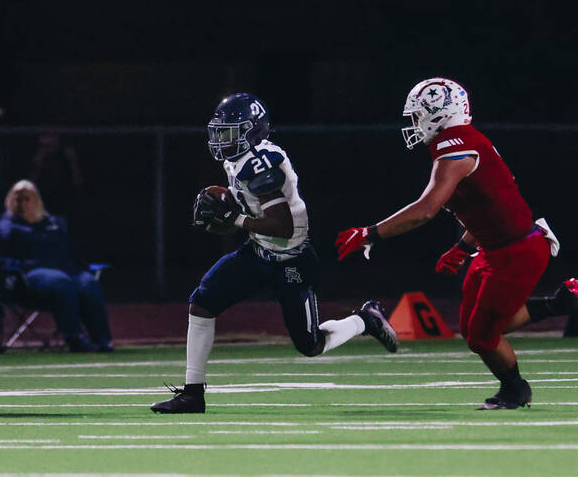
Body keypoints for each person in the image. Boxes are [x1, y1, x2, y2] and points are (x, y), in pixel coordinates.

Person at [335, 78, 578, 411]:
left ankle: (515, 390)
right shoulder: (459, 143)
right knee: (475, 328)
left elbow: (426, 210)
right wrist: (464, 248)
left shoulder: (456, 146)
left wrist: (370, 233)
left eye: (419, 115)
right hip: (493, 247)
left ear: (441, 114)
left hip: (517, 250)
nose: (414, 123)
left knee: (483, 336)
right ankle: (563, 302)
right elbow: (489, 208)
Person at [150, 93, 398, 414]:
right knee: (202, 303)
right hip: (258, 252)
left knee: (310, 345)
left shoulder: (261, 161)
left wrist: (234, 219)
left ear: (252, 131)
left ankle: (365, 320)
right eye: (221, 132)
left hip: (291, 259)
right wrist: (225, 209)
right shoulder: (237, 159)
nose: (223, 140)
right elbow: (247, 210)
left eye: (230, 132)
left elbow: (281, 225)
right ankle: (192, 393)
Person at [0, 179, 114, 352]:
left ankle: (102, 340)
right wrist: (12, 268)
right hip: (26, 280)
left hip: (66, 273)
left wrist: (83, 268)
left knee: (88, 282)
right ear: (11, 201)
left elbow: (73, 253)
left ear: (36, 200)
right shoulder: (4, 228)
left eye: (26, 198)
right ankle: (74, 338)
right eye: (18, 199)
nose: (22, 203)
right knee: (61, 282)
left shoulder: (54, 224)